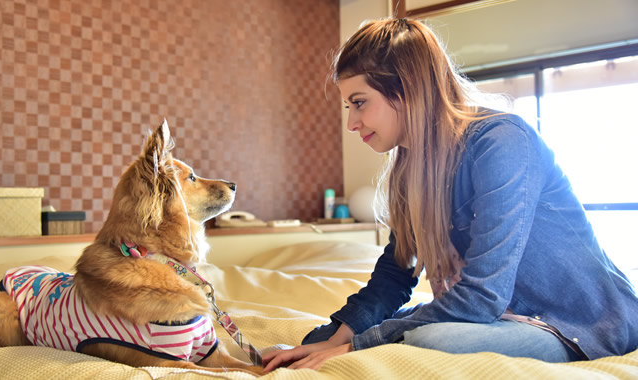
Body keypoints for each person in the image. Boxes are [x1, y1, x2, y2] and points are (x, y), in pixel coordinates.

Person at [263, 18, 638, 372]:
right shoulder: (412, 169)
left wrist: (360, 346)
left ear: (406, 88)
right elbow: (396, 274)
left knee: (430, 338)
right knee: (322, 338)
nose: (351, 123)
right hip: (494, 317)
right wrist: (339, 338)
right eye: (348, 106)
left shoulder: (503, 142)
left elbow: (482, 296)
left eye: (359, 102)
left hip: (570, 322)